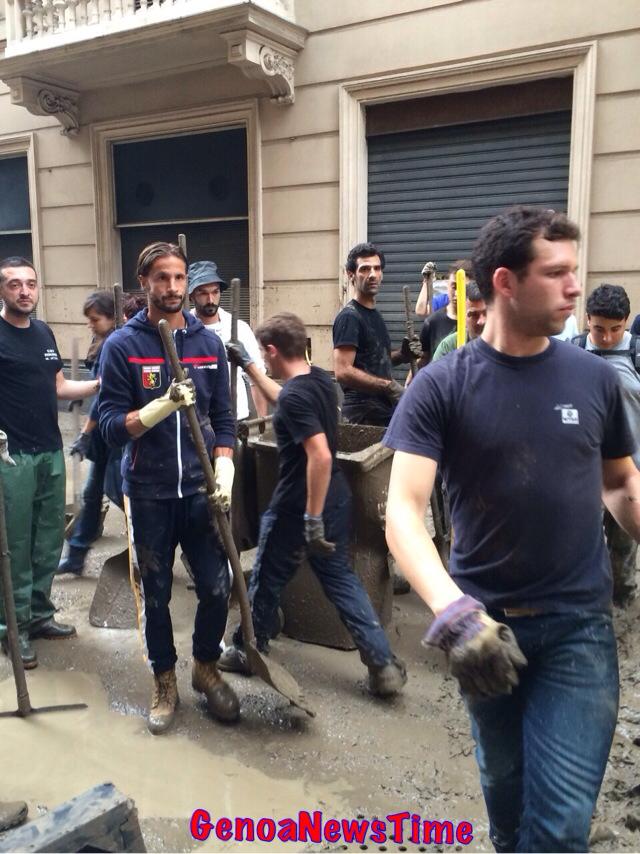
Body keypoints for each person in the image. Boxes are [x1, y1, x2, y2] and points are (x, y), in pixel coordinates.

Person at [383, 206, 640, 853]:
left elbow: (619, 482)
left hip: (577, 630)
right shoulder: (442, 385)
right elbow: (404, 512)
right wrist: (456, 616)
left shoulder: (594, 379)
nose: (575, 288)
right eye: (557, 274)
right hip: (486, 629)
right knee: (505, 799)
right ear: (505, 281)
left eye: (574, 272)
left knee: (556, 830)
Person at [218, 312, 406, 696]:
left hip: (298, 504)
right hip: (335, 495)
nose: (264, 360)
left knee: (268, 577)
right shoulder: (320, 380)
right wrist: (250, 368)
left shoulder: (297, 397)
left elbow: (318, 455)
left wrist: (312, 517)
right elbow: (285, 398)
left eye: (263, 355)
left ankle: (247, 646)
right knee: (339, 579)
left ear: (273, 349)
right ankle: (382, 663)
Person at [98, 241, 239, 734]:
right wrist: (158, 408)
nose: (173, 288)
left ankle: (205, 667)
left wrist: (224, 471)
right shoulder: (123, 346)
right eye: (162, 278)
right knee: (154, 594)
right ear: (145, 283)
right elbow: (110, 426)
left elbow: (223, 419)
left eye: (179, 278)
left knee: (218, 586)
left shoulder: (209, 345)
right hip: (150, 491)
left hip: (201, 491)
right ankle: (164, 680)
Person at [0, 257, 99, 669]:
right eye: (14, 284)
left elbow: (58, 386)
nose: (24, 291)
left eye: (31, 284)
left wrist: (101, 381)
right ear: (2, 291)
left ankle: (39, 615)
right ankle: (13, 628)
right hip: (11, 457)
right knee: (15, 546)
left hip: (48, 450)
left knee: (46, 541)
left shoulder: (43, 331)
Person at [572, 283, 640, 604]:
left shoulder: (637, 354)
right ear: (587, 319)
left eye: (616, 328)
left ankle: (622, 603)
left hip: (629, 473)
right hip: (579, 474)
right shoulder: (571, 353)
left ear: (626, 321)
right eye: (599, 328)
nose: (607, 337)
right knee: (578, 545)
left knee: (623, 547)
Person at [57, 291, 123, 576]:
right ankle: (77, 555)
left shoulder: (118, 344)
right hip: (104, 438)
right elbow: (97, 385)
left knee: (121, 493)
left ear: (112, 317)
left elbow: (107, 397)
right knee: (92, 494)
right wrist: (79, 395)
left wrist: (85, 433)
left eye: (95, 319)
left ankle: (162, 547)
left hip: (118, 435)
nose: (90, 325)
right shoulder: (101, 341)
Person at [333, 242, 421, 426]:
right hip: (363, 414)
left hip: (381, 409)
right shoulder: (350, 317)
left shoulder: (374, 315)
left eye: (377, 268)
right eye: (365, 269)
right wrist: (388, 386)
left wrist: (402, 355)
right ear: (351, 275)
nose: (372, 274)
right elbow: (343, 371)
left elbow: (371, 362)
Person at [187, 260, 268, 420]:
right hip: (196, 421)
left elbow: (257, 378)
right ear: (191, 296)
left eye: (215, 292)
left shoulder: (238, 328)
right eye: (203, 293)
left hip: (235, 417)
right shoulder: (182, 330)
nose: (210, 299)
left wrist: (261, 426)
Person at [418, 259, 474, 365]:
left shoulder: (479, 321)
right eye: (454, 287)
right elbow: (423, 360)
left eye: (463, 288)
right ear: (447, 285)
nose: (457, 293)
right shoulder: (433, 321)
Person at [432, 280, 487, 361]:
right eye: (474, 315)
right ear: (463, 316)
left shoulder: (508, 344)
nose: (481, 321)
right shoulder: (449, 347)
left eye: (486, 313)